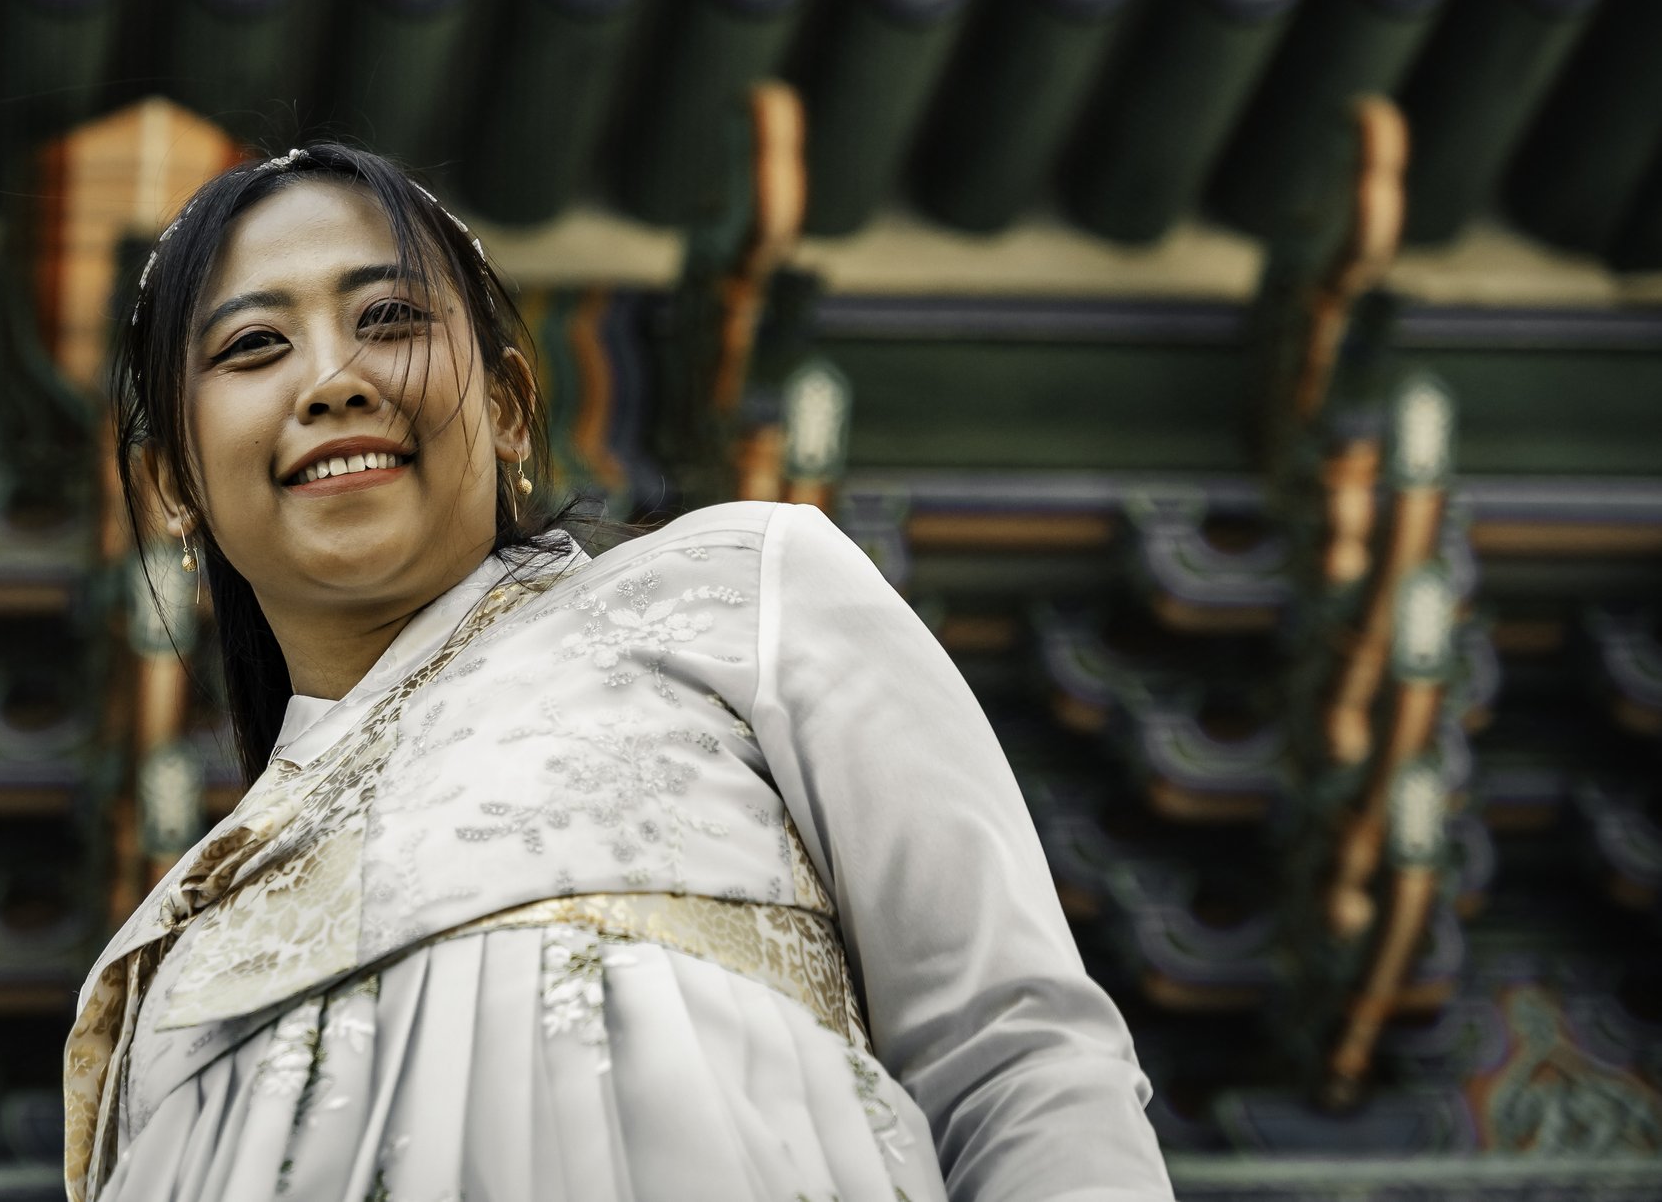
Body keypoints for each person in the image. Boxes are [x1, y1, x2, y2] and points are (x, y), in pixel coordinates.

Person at [66, 141, 1173, 1202]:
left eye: (389, 318)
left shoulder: (738, 591)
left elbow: (1013, 1051)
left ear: (503, 407)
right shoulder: (161, 954)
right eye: (254, 345)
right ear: (170, 483)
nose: (333, 378)